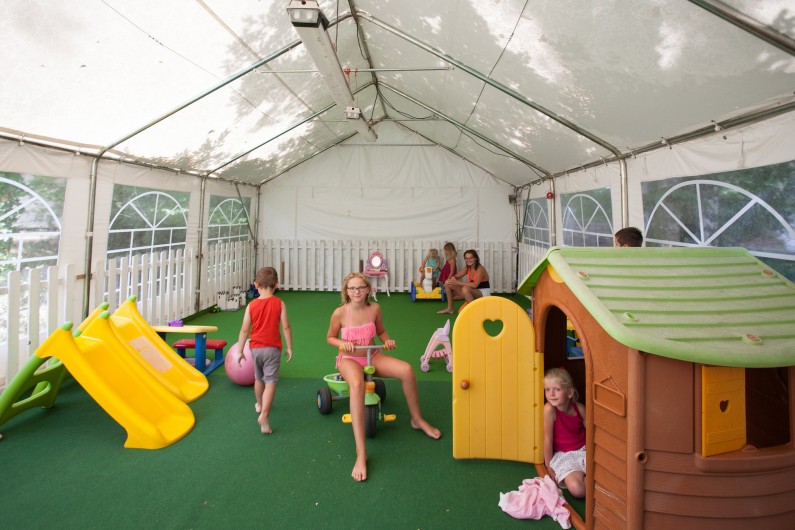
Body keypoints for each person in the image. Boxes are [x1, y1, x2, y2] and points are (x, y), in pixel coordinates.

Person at [327, 272, 441, 482]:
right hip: (348, 360)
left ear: (368, 289)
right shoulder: (340, 313)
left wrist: (388, 341)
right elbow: (330, 338)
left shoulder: (375, 309)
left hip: (373, 355)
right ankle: (361, 453)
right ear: (346, 292)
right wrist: (342, 344)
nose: (357, 291)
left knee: (406, 369)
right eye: (352, 288)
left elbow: (381, 332)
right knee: (357, 384)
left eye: (361, 287)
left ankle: (417, 420)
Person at [235, 267, 293, 434]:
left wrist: (240, 350)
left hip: (255, 348)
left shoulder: (251, 305)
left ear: (255, 284)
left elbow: (244, 330)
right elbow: (286, 327)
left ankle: (260, 404)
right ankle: (264, 416)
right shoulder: (279, 303)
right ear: (276, 284)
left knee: (258, 378)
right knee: (271, 381)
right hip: (272, 349)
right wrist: (289, 347)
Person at [543, 367, 586, 498]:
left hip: (584, 450)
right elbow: (547, 439)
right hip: (564, 456)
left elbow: (593, 433)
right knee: (577, 490)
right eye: (547, 389)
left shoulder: (580, 408)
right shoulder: (549, 410)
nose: (551, 394)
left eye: (557, 389)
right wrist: (548, 466)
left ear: (569, 393)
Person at [437, 249, 489, 314]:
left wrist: (457, 282)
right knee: (448, 283)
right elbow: (457, 276)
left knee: (465, 288)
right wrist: (451, 279)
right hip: (472, 291)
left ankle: (475, 312)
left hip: (483, 293)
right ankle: (450, 308)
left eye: (471, 258)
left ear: (475, 258)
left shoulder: (480, 268)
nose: (468, 260)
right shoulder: (468, 267)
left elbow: (475, 285)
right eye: (466, 258)